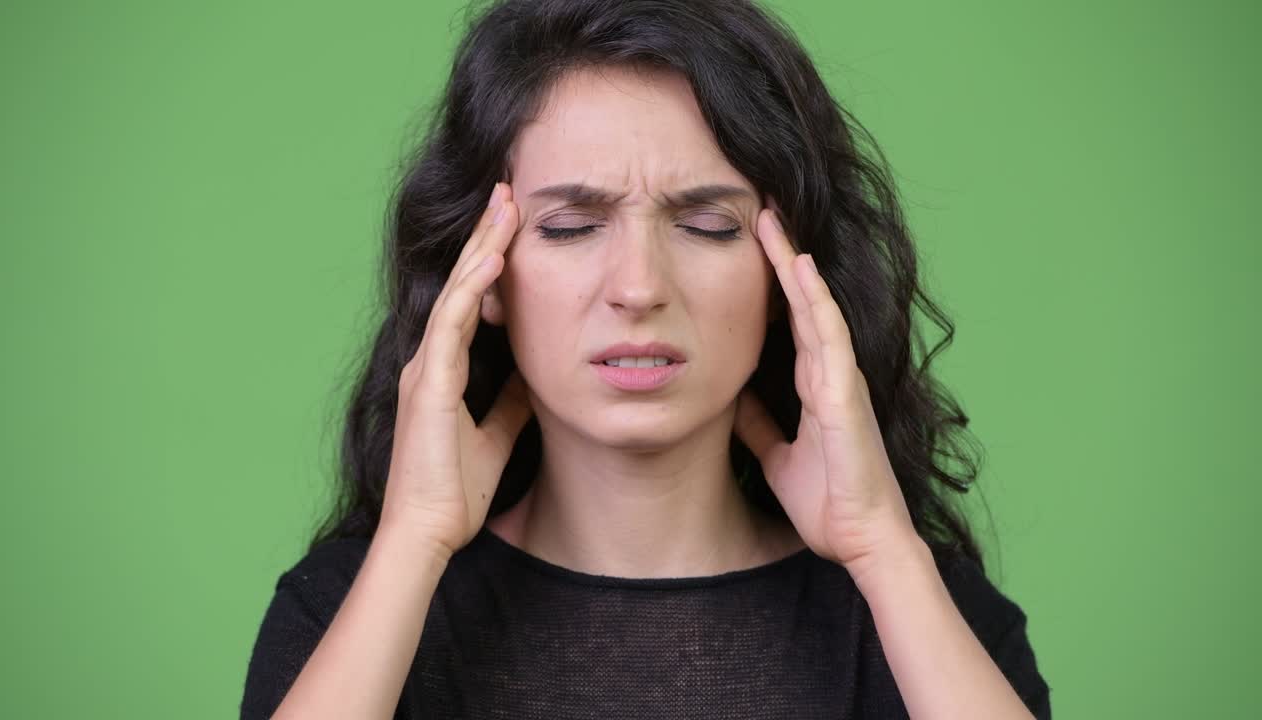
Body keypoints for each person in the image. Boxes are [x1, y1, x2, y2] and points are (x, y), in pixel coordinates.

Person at [240, 0, 1052, 718]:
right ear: (479, 274)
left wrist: (882, 549)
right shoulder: (344, 612)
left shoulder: (935, 622)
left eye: (707, 226)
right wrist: (413, 538)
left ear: (786, 275)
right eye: (568, 226)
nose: (638, 288)